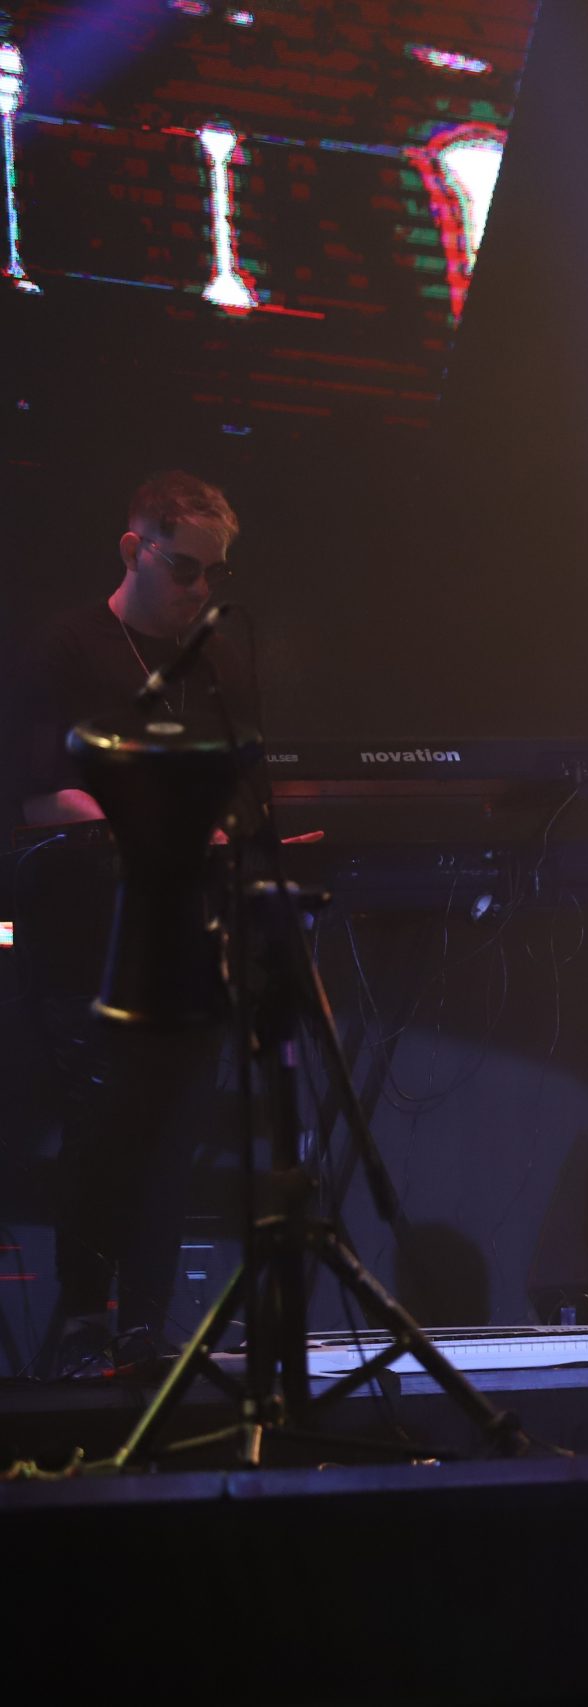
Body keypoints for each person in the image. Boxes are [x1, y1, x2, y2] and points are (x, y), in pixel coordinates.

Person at [9, 471, 258, 1376]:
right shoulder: (69, 645)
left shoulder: (217, 664)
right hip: (87, 935)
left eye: (213, 572)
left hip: (185, 932)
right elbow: (39, 790)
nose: (199, 587)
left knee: (174, 1133)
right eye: (185, 567)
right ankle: (84, 1320)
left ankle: (144, 1329)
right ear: (133, 548)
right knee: (103, 1129)